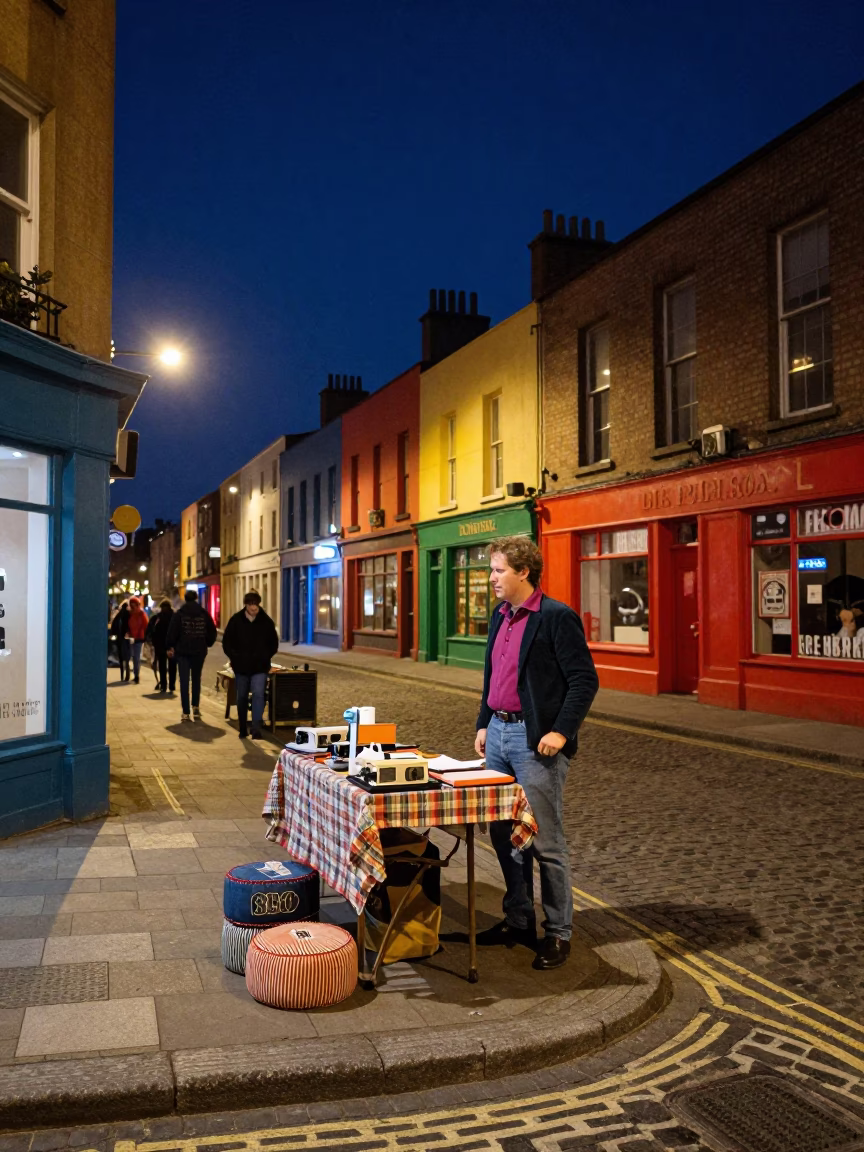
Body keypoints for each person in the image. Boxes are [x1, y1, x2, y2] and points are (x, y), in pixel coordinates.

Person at [474, 535, 598, 971]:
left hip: (535, 741)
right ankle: (518, 919)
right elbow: (493, 675)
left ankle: (559, 933)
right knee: (504, 834)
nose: (492, 578)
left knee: (546, 842)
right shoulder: (501, 616)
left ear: (524, 572)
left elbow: (584, 680)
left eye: (498, 570)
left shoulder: (555, 617)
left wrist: (561, 732)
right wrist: (483, 724)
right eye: (492, 570)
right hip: (499, 734)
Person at [221, 589, 279, 739]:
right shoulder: (236, 620)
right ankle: (242, 726)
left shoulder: (266, 621)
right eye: (250, 605)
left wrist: (266, 656)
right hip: (241, 667)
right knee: (241, 697)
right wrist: (235, 657)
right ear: (246, 605)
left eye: (256, 605)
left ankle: (256, 728)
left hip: (260, 666)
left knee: (259, 695)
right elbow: (227, 642)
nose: (253, 608)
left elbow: (273, 643)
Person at [165, 589, 217, 721]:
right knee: (196, 679)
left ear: (185, 599)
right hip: (199, 651)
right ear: (196, 598)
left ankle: (186, 711)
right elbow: (212, 631)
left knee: (184, 680)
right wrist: (208, 643)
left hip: (183, 651)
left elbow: (172, 632)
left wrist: (170, 646)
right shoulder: (204, 614)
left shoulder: (180, 614)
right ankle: (196, 707)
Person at [146, 599, 177, 693]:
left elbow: (150, 631)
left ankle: (164, 685)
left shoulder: (158, 618)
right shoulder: (174, 617)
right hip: (170, 646)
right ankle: (170, 685)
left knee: (164, 666)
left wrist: (152, 641)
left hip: (162, 646)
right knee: (171, 667)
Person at [125, 597, 149, 684]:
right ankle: (134, 674)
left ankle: (136, 675)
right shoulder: (129, 614)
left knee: (136, 657)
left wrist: (145, 636)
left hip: (139, 638)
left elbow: (146, 625)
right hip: (131, 638)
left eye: (134, 605)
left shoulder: (141, 613)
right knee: (132, 656)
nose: (133, 606)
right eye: (131, 605)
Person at [110, 599, 130, 680]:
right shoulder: (129, 614)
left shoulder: (119, 615)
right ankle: (127, 673)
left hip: (119, 638)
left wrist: (113, 634)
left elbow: (114, 625)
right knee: (127, 656)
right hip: (127, 638)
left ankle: (122, 674)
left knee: (121, 657)